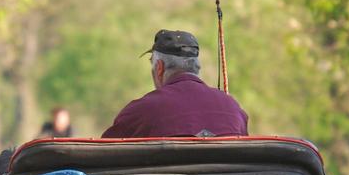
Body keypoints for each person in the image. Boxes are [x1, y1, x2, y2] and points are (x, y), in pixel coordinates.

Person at [101, 29, 248, 138]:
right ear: (197, 67)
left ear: (159, 68)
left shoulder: (140, 111)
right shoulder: (233, 108)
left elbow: (105, 155)